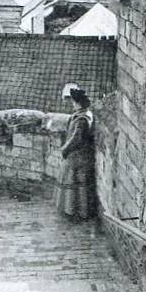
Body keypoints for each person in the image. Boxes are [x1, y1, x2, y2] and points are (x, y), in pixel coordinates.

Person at [55, 84, 96, 221]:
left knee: (76, 184)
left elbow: (77, 138)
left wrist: (65, 149)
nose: (72, 104)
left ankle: (76, 212)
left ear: (77, 102)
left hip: (79, 155)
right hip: (78, 155)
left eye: (73, 102)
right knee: (76, 183)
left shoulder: (82, 119)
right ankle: (75, 211)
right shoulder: (81, 115)